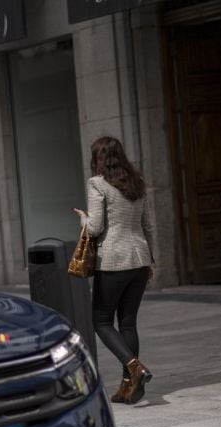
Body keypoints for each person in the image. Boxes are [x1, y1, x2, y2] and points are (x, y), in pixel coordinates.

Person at [72, 136, 155, 405]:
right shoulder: (137, 182)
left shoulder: (97, 183)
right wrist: (150, 261)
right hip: (139, 260)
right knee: (128, 322)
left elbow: (95, 228)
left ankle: (134, 366)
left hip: (113, 261)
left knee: (102, 322)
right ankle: (129, 388)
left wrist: (83, 219)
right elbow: (148, 225)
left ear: (97, 159)